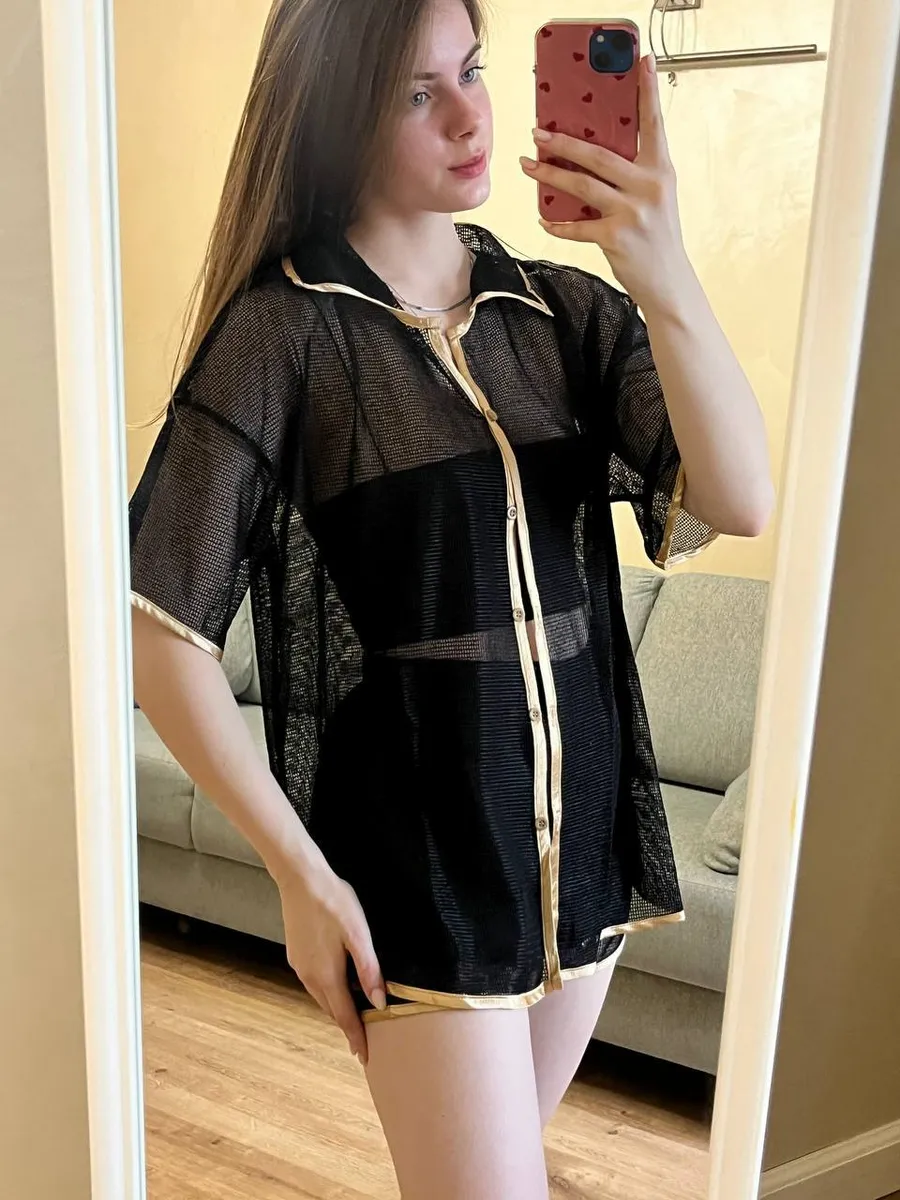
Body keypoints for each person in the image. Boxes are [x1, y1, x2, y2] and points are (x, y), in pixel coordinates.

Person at [128, 0, 774, 1195]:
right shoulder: (287, 334)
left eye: (472, 70)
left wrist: (664, 269)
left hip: (585, 843)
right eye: (418, 94)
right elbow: (158, 632)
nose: (472, 118)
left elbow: (740, 497)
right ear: (338, 116)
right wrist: (299, 874)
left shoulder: (566, 314)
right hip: (417, 859)